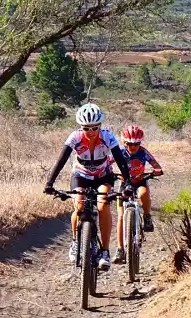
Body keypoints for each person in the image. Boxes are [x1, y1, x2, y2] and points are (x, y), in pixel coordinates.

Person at [43, 103, 132, 271]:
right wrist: (49, 183)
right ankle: (76, 242)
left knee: (103, 203)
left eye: (94, 128)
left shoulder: (108, 137)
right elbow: (60, 161)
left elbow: (120, 161)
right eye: (86, 128)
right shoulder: (75, 137)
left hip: (103, 175)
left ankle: (105, 251)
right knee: (79, 205)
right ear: (80, 127)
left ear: (100, 125)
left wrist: (127, 182)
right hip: (81, 176)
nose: (90, 132)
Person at [113, 124, 163, 265]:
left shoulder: (143, 152)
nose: (133, 147)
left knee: (143, 194)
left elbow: (154, 163)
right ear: (124, 143)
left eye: (136, 144)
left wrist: (157, 169)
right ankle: (120, 249)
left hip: (139, 181)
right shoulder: (120, 152)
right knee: (121, 216)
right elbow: (107, 162)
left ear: (140, 143)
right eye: (130, 144)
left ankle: (147, 216)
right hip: (124, 184)